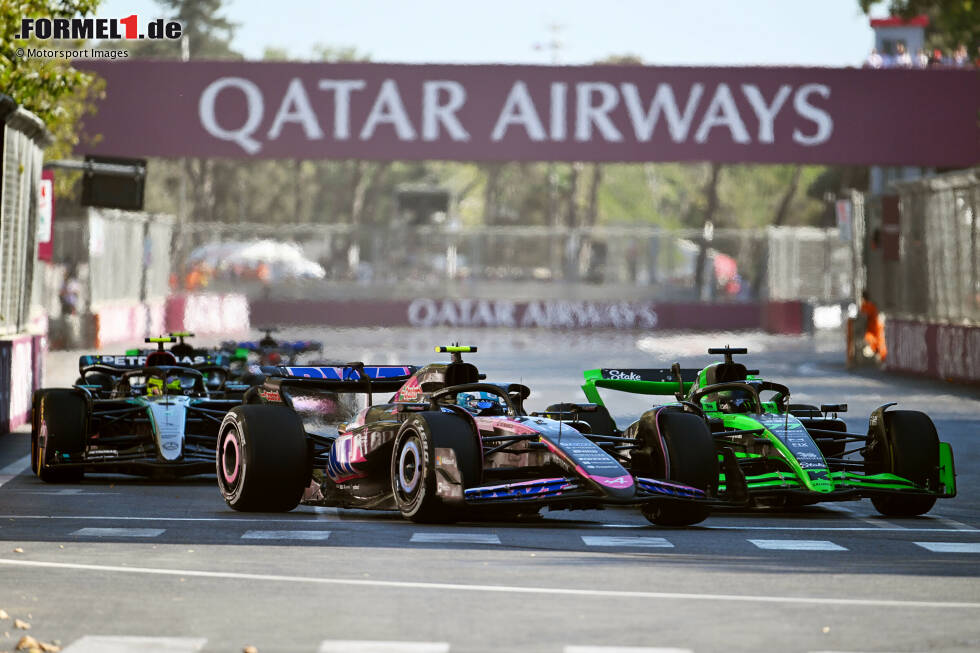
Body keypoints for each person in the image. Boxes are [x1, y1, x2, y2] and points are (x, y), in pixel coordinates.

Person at [859, 291, 887, 362]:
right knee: (878, 343)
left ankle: (878, 356)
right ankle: (879, 357)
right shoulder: (871, 305)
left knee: (873, 342)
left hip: (873, 328)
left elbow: (864, 317)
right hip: (875, 328)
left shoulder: (866, 306)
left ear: (863, 298)